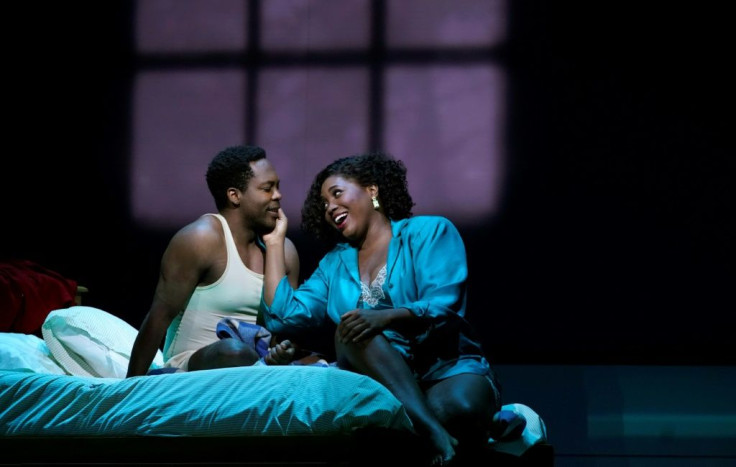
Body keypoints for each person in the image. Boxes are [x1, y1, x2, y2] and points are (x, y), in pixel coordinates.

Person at [260, 151, 502, 466]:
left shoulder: (430, 232)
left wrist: (386, 316)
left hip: (445, 368)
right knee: (351, 327)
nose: (330, 207)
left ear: (372, 191)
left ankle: (422, 422)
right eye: (324, 205)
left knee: (462, 408)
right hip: (378, 378)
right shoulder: (334, 264)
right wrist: (276, 242)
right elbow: (282, 316)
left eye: (336, 194)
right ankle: (433, 432)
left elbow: (445, 305)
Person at [126, 144, 300, 378]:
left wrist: (281, 353)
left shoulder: (284, 250)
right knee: (234, 352)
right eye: (267, 189)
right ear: (234, 195)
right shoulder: (200, 239)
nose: (278, 195)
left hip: (258, 368)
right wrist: (131, 389)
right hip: (194, 365)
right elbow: (159, 317)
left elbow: (286, 329)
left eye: (278, 187)